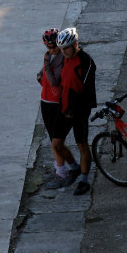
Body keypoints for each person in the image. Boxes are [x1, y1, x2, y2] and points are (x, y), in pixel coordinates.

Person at [37, 28, 80, 189]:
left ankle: (63, 173)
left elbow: (54, 81)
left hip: (57, 104)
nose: (52, 50)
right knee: (53, 141)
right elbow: (42, 75)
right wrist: (43, 72)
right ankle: (63, 169)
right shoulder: (51, 56)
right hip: (46, 101)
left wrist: (46, 64)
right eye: (48, 47)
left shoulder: (62, 59)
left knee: (57, 142)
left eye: (54, 46)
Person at [56, 27, 97, 195]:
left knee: (82, 144)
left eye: (66, 48)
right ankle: (74, 167)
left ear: (75, 44)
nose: (64, 51)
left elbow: (86, 90)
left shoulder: (85, 61)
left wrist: (74, 107)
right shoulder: (64, 59)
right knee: (56, 144)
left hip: (79, 111)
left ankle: (84, 180)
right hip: (64, 108)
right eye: (61, 49)